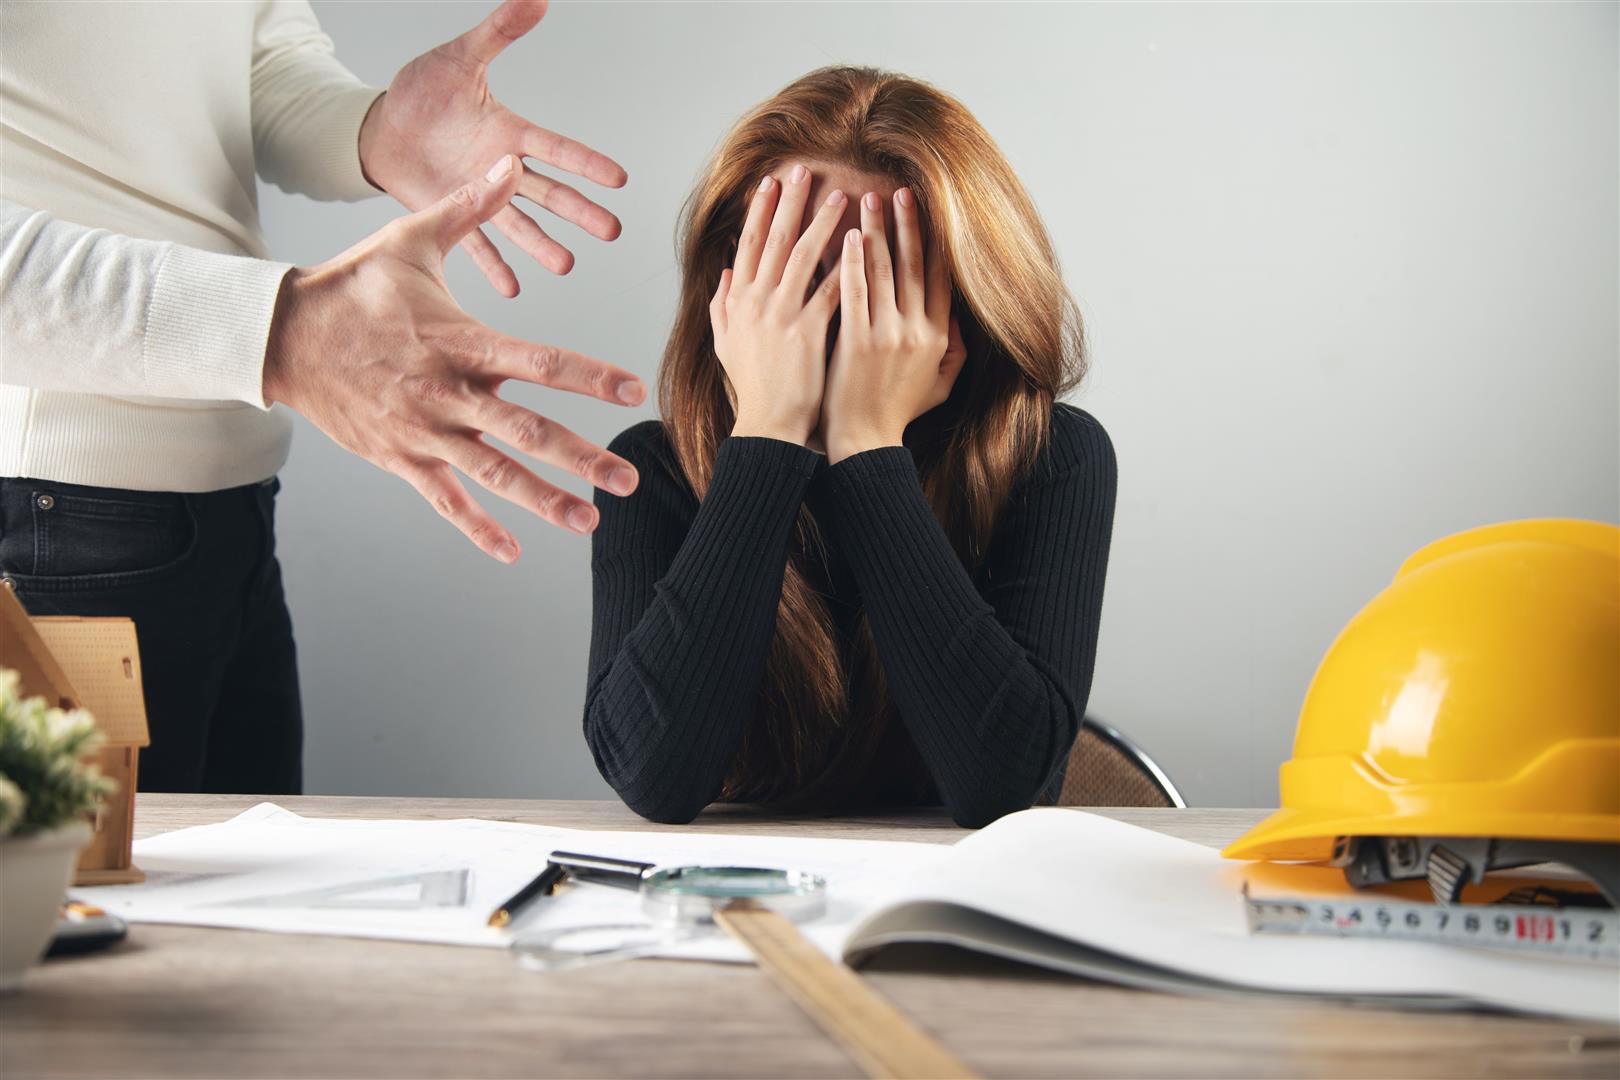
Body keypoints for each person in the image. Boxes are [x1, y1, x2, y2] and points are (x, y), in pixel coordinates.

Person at [0, 1, 642, 794]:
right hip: (54, 523)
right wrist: (278, 330)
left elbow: (251, 60)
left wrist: (370, 131)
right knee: (71, 908)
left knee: (234, 907)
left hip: (224, 501)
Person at [584, 67, 1117, 828]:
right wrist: (768, 429)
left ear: (965, 284)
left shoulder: (1051, 458)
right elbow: (654, 778)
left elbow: (1005, 789)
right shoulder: (651, 470)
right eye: (797, 264)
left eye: (880, 272)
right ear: (731, 282)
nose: (835, 308)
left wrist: (868, 444)